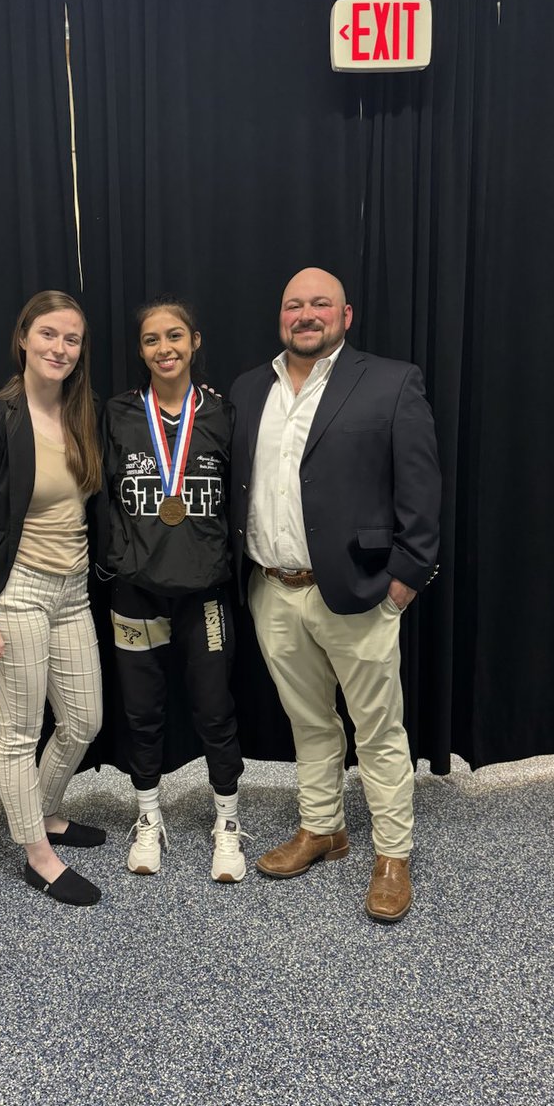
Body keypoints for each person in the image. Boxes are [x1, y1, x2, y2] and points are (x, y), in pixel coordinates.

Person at [229, 267, 440, 922]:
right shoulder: (247, 389)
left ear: (346, 316)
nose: (306, 313)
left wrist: (403, 583)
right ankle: (322, 829)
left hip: (360, 591)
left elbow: (422, 493)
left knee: (378, 730)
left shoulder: (390, 382)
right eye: (294, 304)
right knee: (310, 722)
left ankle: (393, 855)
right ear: (281, 316)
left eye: (321, 303)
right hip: (273, 589)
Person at [0, 290, 106, 907]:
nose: (59, 348)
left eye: (71, 339)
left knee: (84, 720)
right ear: (24, 337)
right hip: (15, 590)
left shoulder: (80, 412)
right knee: (19, 729)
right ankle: (36, 855)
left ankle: (40, 812)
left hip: (72, 589)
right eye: (48, 334)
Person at [102, 299, 247, 882]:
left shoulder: (223, 414)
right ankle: (147, 816)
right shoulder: (115, 414)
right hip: (135, 591)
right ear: (140, 350)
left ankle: (228, 823)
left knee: (214, 709)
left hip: (205, 592)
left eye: (175, 336)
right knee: (141, 712)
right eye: (151, 340)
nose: (164, 348)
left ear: (194, 341)